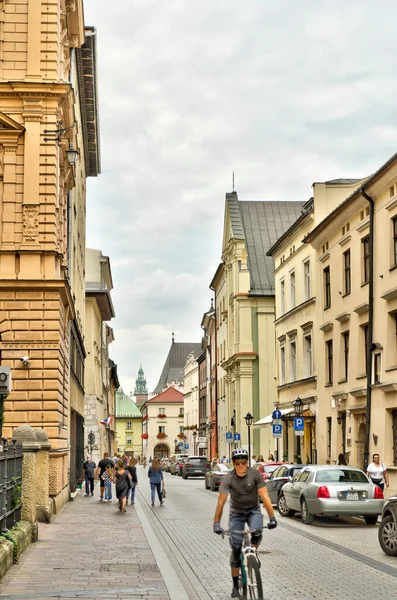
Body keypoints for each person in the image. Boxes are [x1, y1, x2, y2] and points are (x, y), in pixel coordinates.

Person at [213, 448, 277, 599]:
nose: (242, 466)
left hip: (253, 510)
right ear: (233, 464)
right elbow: (221, 504)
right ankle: (235, 586)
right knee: (235, 549)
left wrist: (272, 517)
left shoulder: (254, 474)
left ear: (247, 463)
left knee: (258, 531)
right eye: (238, 463)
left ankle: (253, 552)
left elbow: (265, 498)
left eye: (244, 462)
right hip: (236, 513)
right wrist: (216, 523)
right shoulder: (229, 478)